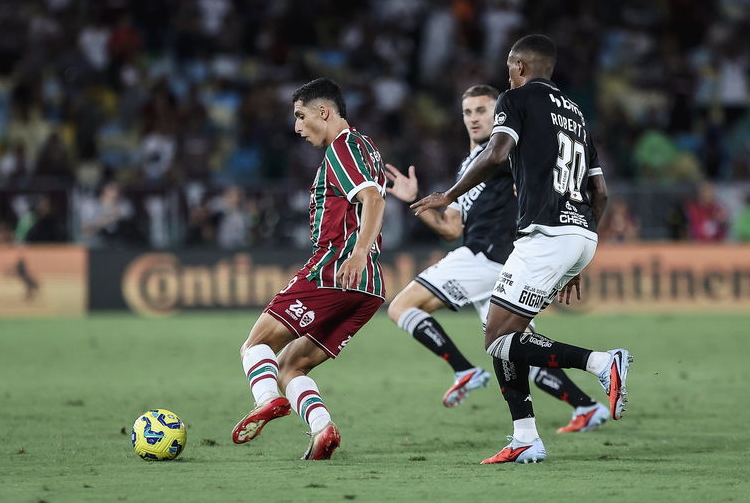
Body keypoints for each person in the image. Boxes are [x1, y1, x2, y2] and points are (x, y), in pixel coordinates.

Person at [412, 35, 631, 464]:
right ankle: (525, 436)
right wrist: (577, 257)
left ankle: (601, 363)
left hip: (546, 235)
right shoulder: (577, 114)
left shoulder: (515, 99)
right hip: (580, 234)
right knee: (504, 333)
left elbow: (496, 154)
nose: (507, 74)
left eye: (509, 67)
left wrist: (449, 194)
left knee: (498, 339)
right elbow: (600, 192)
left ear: (521, 66)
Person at [386, 85, 610, 433]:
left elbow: (534, 169)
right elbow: (450, 228)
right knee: (517, 349)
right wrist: (414, 200)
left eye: (482, 110)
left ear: (498, 113)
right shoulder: (470, 165)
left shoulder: (503, 152)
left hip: (486, 256)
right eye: (468, 112)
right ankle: (586, 406)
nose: (474, 118)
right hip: (500, 265)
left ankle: (464, 370)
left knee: (401, 307)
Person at [232, 78, 387, 460]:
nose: (297, 127)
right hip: (368, 286)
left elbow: (373, 199)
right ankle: (322, 430)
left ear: (324, 111)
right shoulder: (366, 146)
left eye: (301, 116)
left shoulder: (343, 146)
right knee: (290, 366)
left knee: (256, 345)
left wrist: (358, 251)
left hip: (335, 270)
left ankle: (266, 400)